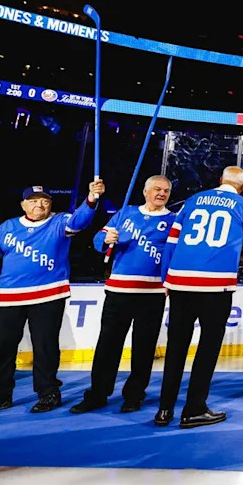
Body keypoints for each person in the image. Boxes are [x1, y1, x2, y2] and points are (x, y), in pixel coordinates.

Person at [0, 180, 105, 417]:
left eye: (45, 201)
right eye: (34, 201)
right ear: (23, 205)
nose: (40, 204)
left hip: (48, 295)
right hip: (6, 298)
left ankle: (48, 392)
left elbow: (80, 220)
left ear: (51, 205)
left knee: (45, 347)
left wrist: (91, 198)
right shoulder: (7, 227)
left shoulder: (59, 223)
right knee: (1, 349)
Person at [155, 166, 243, 428]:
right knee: (207, 348)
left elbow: (172, 240)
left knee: (176, 347)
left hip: (180, 281)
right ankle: (194, 409)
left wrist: (166, 279)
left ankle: (164, 410)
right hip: (216, 286)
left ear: (220, 180)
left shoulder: (193, 201)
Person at [69, 175, 176, 414]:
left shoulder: (173, 220)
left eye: (166, 191)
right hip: (119, 290)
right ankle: (97, 393)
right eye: (157, 189)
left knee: (144, 347)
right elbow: (99, 238)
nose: (161, 194)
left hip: (153, 293)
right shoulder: (126, 212)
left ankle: (134, 395)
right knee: (108, 344)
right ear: (145, 191)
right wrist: (106, 239)